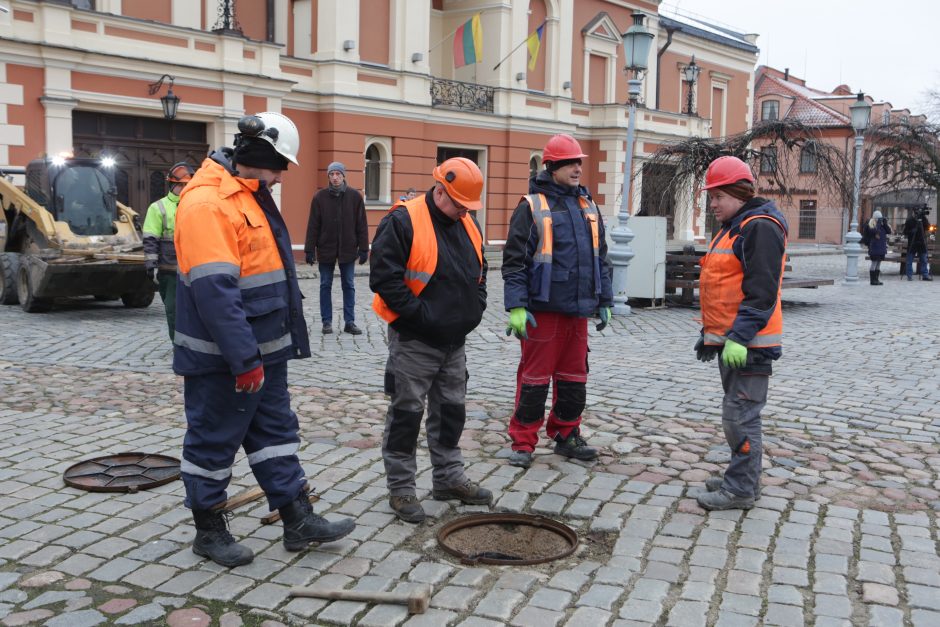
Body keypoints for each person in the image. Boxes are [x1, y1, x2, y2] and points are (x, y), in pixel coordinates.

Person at [174, 112, 355, 567]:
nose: (281, 177)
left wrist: (265, 353)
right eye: (280, 167)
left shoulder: (248, 195)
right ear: (258, 156)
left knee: (276, 435)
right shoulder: (207, 203)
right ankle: (209, 531)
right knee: (213, 442)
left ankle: (297, 518)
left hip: (264, 353)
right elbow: (216, 292)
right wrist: (243, 358)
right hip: (226, 360)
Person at [370, 157, 492, 523]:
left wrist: (475, 310)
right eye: (458, 205)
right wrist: (422, 317)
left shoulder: (467, 223)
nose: (463, 213)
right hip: (415, 341)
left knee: (451, 412)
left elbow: (481, 274)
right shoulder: (403, 220)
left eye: (468, 207)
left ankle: (448, 478)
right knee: (406, 415)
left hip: (454, 342)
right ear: (440, 190)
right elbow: (384, 280)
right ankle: (402, 489)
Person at [501, 133, 613, 469]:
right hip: (543, 311)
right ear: (552, 167)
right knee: (534, 380)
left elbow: (601, 257)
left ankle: (566, 434)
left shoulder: (588, 206)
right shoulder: (532, 206)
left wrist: (604, 299)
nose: (578, 168)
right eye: (570, 163)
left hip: (578, 311)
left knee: (574, 378)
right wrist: (517, 305)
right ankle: (523, 442)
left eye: (579, 162)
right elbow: (514, 262)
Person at [693, 155, 788, 511]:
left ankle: (740, 490)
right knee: (739, 414)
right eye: (711, 197)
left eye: (718, 196)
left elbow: (760, 291)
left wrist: (738, 337)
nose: (712, 204)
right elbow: (725, 285)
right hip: (735, 342)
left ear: (738, 192)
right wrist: (712, 336)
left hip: (750, 346)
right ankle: (743, 477)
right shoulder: (738, 225)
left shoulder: (759, 227)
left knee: (740, 417)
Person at [303, 162, 369, 335]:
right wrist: (309, 249)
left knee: (348, 285)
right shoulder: (320, 197)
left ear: (343, 176)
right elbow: (313, 225)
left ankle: (350, 321)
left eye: (338, 174)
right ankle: (327, 322)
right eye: (332, 174)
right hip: (326, 248)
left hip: (348, 248)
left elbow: (361, 224)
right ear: (328, 177)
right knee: (325, 285)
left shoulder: (355, 197)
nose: (335, 177)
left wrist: (364, 248)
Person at [142, 162, 194, 340]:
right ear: (173, 185)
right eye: (182, 185)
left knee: (195, 310)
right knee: (173, 310)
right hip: (169, 270)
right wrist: (152, 266)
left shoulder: (197, 205)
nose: (185, 189)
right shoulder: (158, 208)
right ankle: (179, 344)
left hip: (193, 269)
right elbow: (150, 239)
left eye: (188, 185)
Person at [862, 210, 891, 286]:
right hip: (874, 247)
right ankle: (872, 280)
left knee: (878, 263)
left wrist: (885, 223)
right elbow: (873, 231)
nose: (880, 220)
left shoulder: (882, 225)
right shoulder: (871, 224)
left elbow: (888, 231)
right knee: (874, 263)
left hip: (881, 248)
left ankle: (876, 279)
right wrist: (878, 222)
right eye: (879, 218)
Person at [903, 207, 932, 281]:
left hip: (921, 242)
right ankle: (909, 275)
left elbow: (928, 227)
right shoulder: (909, 221)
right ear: (913, 212)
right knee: (909, 260)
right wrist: (911, 231)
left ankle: (925, 275)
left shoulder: (922, 220)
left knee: (924, 260)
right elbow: (905, 232)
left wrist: (924, 218)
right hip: (912, 243)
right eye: (916, 213)